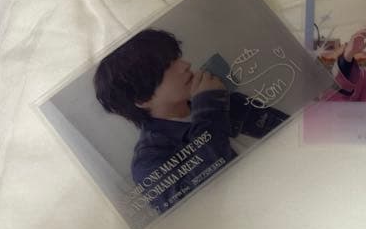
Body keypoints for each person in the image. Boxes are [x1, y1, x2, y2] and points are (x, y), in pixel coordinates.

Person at [93, 29, 285, 214]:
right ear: (142, 99)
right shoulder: (148, 161)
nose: (185, 64)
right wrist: (209, 108)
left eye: (176, 57)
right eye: (166, 66)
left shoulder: (223, 101)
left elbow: (288, 127)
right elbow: (199, 210)